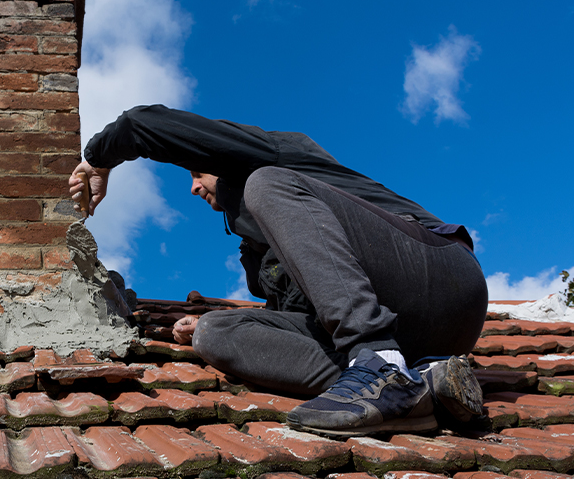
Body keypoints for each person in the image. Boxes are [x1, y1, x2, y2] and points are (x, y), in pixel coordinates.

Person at [69, 105, 488, 437]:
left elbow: (142, 124)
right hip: (420, 342)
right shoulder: (260, 244)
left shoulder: (280, 154)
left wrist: (98, 159)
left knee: (265, 184)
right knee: (213, 332)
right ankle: (421, 390)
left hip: (443, 278)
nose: (194, 188)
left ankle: (379, 361)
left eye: (197, 172)